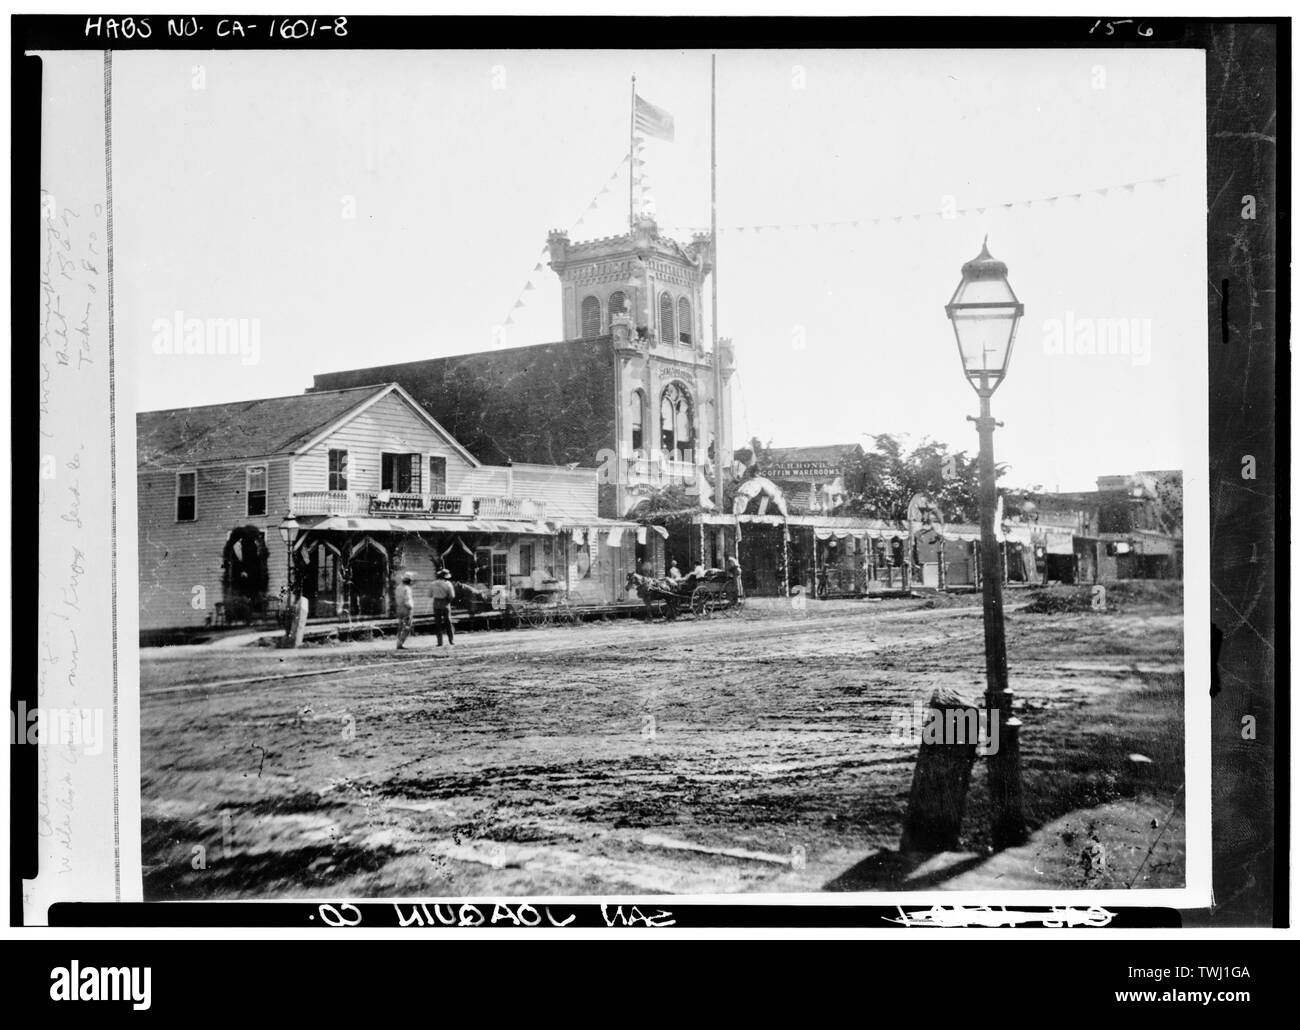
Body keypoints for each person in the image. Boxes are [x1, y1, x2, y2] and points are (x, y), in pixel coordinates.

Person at [430, 568, 456, 647]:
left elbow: (430, 595)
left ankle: (439, 642)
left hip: (436, 603)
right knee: (448, 621)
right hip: (445, 602)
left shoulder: (432, 584)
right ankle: (451, 640)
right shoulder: (448, 584)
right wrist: (448, 601)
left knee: (438, 623)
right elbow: (452, 596)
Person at [395, 572, 416, 650]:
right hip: (406, 608)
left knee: (400, 626)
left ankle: (398, 642)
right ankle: (400, 643)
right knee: (407, 626)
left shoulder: (398, 587)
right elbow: (407, 599)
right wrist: (410, 607)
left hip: (399, 607)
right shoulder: (407, 588)